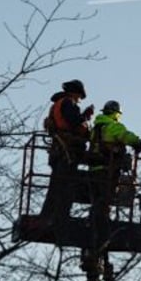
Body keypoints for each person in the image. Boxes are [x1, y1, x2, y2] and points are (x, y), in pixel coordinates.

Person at [39, 80, 94, 226]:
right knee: (65, 186)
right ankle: (60, 216)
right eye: (79, 96)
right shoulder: (68, 103)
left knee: (56, 185)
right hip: (67, 150)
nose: (79, 100)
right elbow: (74, 122)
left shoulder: (57, 105)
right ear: (75, 92)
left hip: (59, 150)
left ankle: (47, 214)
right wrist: (86, 116)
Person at [87, 100, 141, 235]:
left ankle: (95, 220)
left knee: (97, 198)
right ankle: (98, 222)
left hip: (94, 168)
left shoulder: (95, 129)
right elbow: (127, 137)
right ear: (116, 114)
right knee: (106, 197)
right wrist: (137, 143)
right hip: (108, 168)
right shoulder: (113, 126)